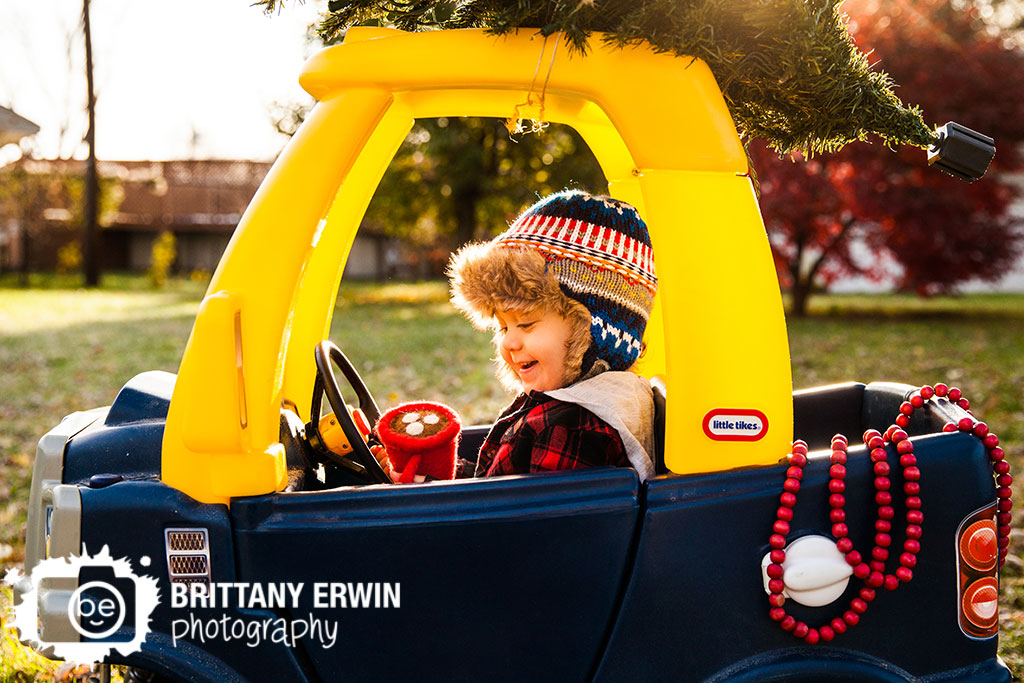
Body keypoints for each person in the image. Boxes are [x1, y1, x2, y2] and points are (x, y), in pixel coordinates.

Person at [446, 189, 658, 480]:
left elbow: (515, 519)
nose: (508, 341)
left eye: (527, 324)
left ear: (595, 331)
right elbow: (497, 485)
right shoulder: (563, 404)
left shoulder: (573, 426)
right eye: (503, 327)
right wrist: (434, 474)